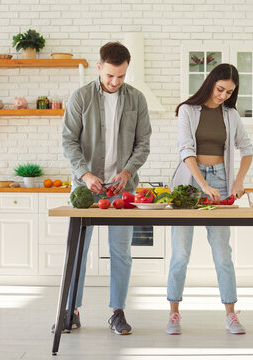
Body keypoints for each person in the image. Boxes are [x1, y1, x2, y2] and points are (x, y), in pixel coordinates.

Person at [61, 41, 151, 335]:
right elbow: (69, 141)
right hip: (86, 189)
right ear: (99, 67)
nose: (115, 82)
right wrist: (85, 174)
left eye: (121, 76)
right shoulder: (80, 97)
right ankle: (71, 311)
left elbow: (143, 144)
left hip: (122, 188)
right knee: (78, 250)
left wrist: (127, 172)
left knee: (121, 251)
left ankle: (117, 312)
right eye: (110, 75)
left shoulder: (136, 100)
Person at [166, 63, 253, 335]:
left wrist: (237, 181)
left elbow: (247, 148)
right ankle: (174, 314)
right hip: (190, 183)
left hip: (220, 181)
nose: (224, 95)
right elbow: (185, 149)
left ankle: (231, 314)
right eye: (220, 89)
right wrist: (202, 185)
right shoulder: (187, 111)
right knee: (180, 252)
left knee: (222, 253)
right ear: (210, 83)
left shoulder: (231, 115)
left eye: (229, 92)